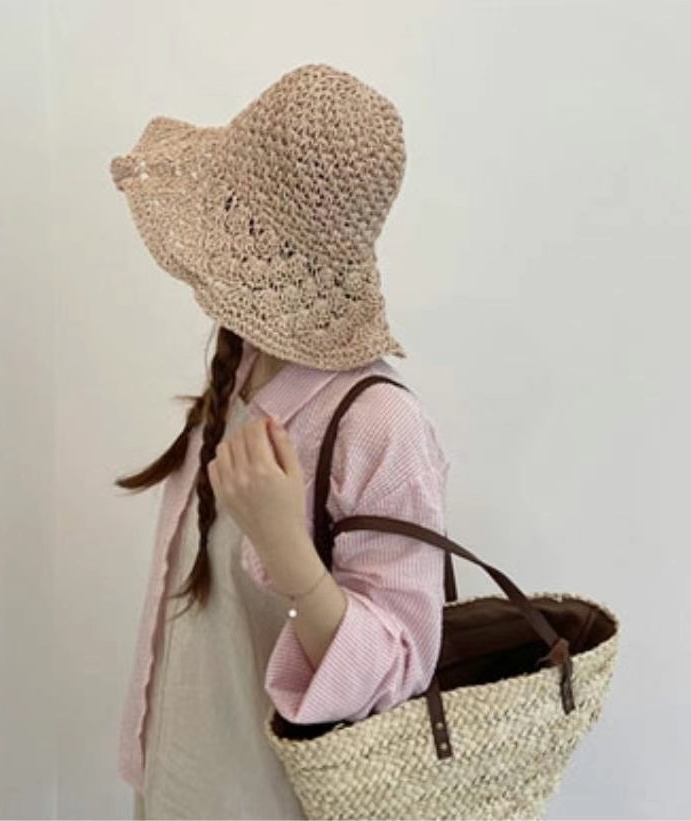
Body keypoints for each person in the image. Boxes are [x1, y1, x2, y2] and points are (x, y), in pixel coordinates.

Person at [109, 63, 451, 820]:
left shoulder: (378, 423)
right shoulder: (241, 368)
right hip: (177, 786)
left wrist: (285, 549)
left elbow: (399, 669)